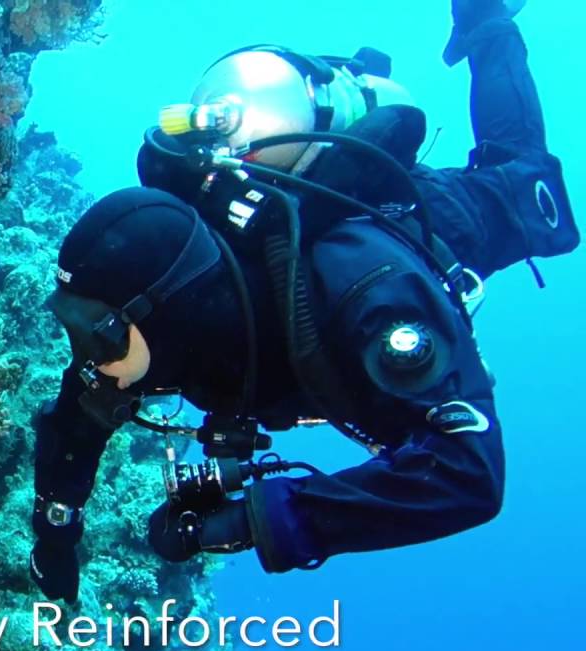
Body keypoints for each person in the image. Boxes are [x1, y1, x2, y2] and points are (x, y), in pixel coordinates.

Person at [29, 0, 579, 603]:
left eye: (99, 332)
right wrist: (55, 531)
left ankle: (486, 22)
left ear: (167, 315)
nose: (86, 353)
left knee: (523, 170)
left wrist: (261, 521)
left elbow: (468, 474)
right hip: (262, 274)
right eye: (78, 325)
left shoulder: (365, 289)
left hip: (433, 225)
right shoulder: (141, 331)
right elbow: (78, 415)